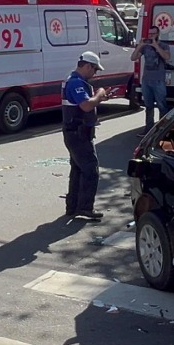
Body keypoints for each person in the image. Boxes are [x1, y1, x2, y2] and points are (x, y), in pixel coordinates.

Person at [62, 50, 113, 221]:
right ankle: (85, 208)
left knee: (78, 170)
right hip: (78, 134)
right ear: (88, 66)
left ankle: (73, 206)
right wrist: (99, 94)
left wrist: (100, 98)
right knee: (91, 170)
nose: (95, 73)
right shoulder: (75, 82)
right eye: (95, 69)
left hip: (75, 133)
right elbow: (85, 106)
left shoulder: (75, 80)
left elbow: (83, 102)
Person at [130, 31, 171, 130]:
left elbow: (167, 57)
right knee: (148, 107)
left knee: (162, 106)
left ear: (158, 34)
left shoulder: (164, 45)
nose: (151, 35)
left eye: (153, 33)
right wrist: (139, 46)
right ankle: (148, 129)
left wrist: (156, 45)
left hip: (158, 80)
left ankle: (162, 129)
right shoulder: (145, 47)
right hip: (146, 81)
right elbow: (133, 58)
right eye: (149, 34)